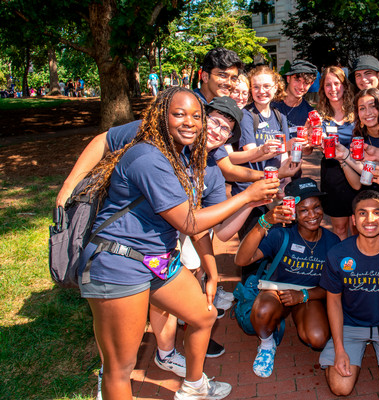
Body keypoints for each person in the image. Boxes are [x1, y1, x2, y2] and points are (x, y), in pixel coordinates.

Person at [76, 87, 279, 399]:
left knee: (204, 315)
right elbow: (190, 222)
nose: (190, 122)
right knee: (121, 367)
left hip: (155, 258)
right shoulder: (148, 157)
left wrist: (211, 272)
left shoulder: (186, 158)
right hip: (118, 261)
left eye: (196, 116)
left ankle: (194, 388)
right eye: (179, 114)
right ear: (161, 117)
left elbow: (198, 225)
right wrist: (249, 196)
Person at [234, 178, 340, 378]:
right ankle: (266, 344)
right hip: (277, 292)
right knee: (263, 309)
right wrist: (263, 222)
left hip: (308, 296)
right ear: (293, 212)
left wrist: (303, 296)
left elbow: (333, 287)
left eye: (316, 207)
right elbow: (242, 259)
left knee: (317, 338)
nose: (312, 215)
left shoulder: (332, 242)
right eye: (304, 210)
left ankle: (294, 316)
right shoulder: (281, 234)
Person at [319, 190, 379, 399]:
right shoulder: (337, 254)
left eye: (377, 213)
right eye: (362, 213)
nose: (370, 219)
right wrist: (339, 349)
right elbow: (334, 302)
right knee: (340, 388)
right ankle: (343, 353)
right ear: (353, 220)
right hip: (351, 325)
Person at [336, 88, 379, 242]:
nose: (368, 112)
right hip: (368, 204)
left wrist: (347, 156)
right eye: (362, 108)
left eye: (373, 106)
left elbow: (376, 169)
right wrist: (342, 159)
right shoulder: (359, 139)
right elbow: (356, 184)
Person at [230, 65, 291, 239]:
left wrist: (285, 182)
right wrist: (267, 150)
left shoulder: (280, 117)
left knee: (278, 238)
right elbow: (251, 152)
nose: (261, 91)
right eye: (256, 87)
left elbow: (284, 154)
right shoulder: (246, 115)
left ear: (275, 87)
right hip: (251, 188)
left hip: (275, 188)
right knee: (251, 240)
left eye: (266, 86)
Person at [316, 66, 356, 240]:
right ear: (323, 89)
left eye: (337, 84)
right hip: (332, 176)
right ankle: (342, 266)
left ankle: (359, 266)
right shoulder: (319, 117)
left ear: (345, 86)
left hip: (356, 174)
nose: (333, 89)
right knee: (339, 229)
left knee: (357, 228)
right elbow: (312, 146)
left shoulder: (357, 112)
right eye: (328, 85)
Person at [272, 60, 318, 134]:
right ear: (288, 78)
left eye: (306, 83)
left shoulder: (309, 114)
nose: (301, 86)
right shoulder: (271, 105)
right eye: (297, 80)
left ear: (311, 84)